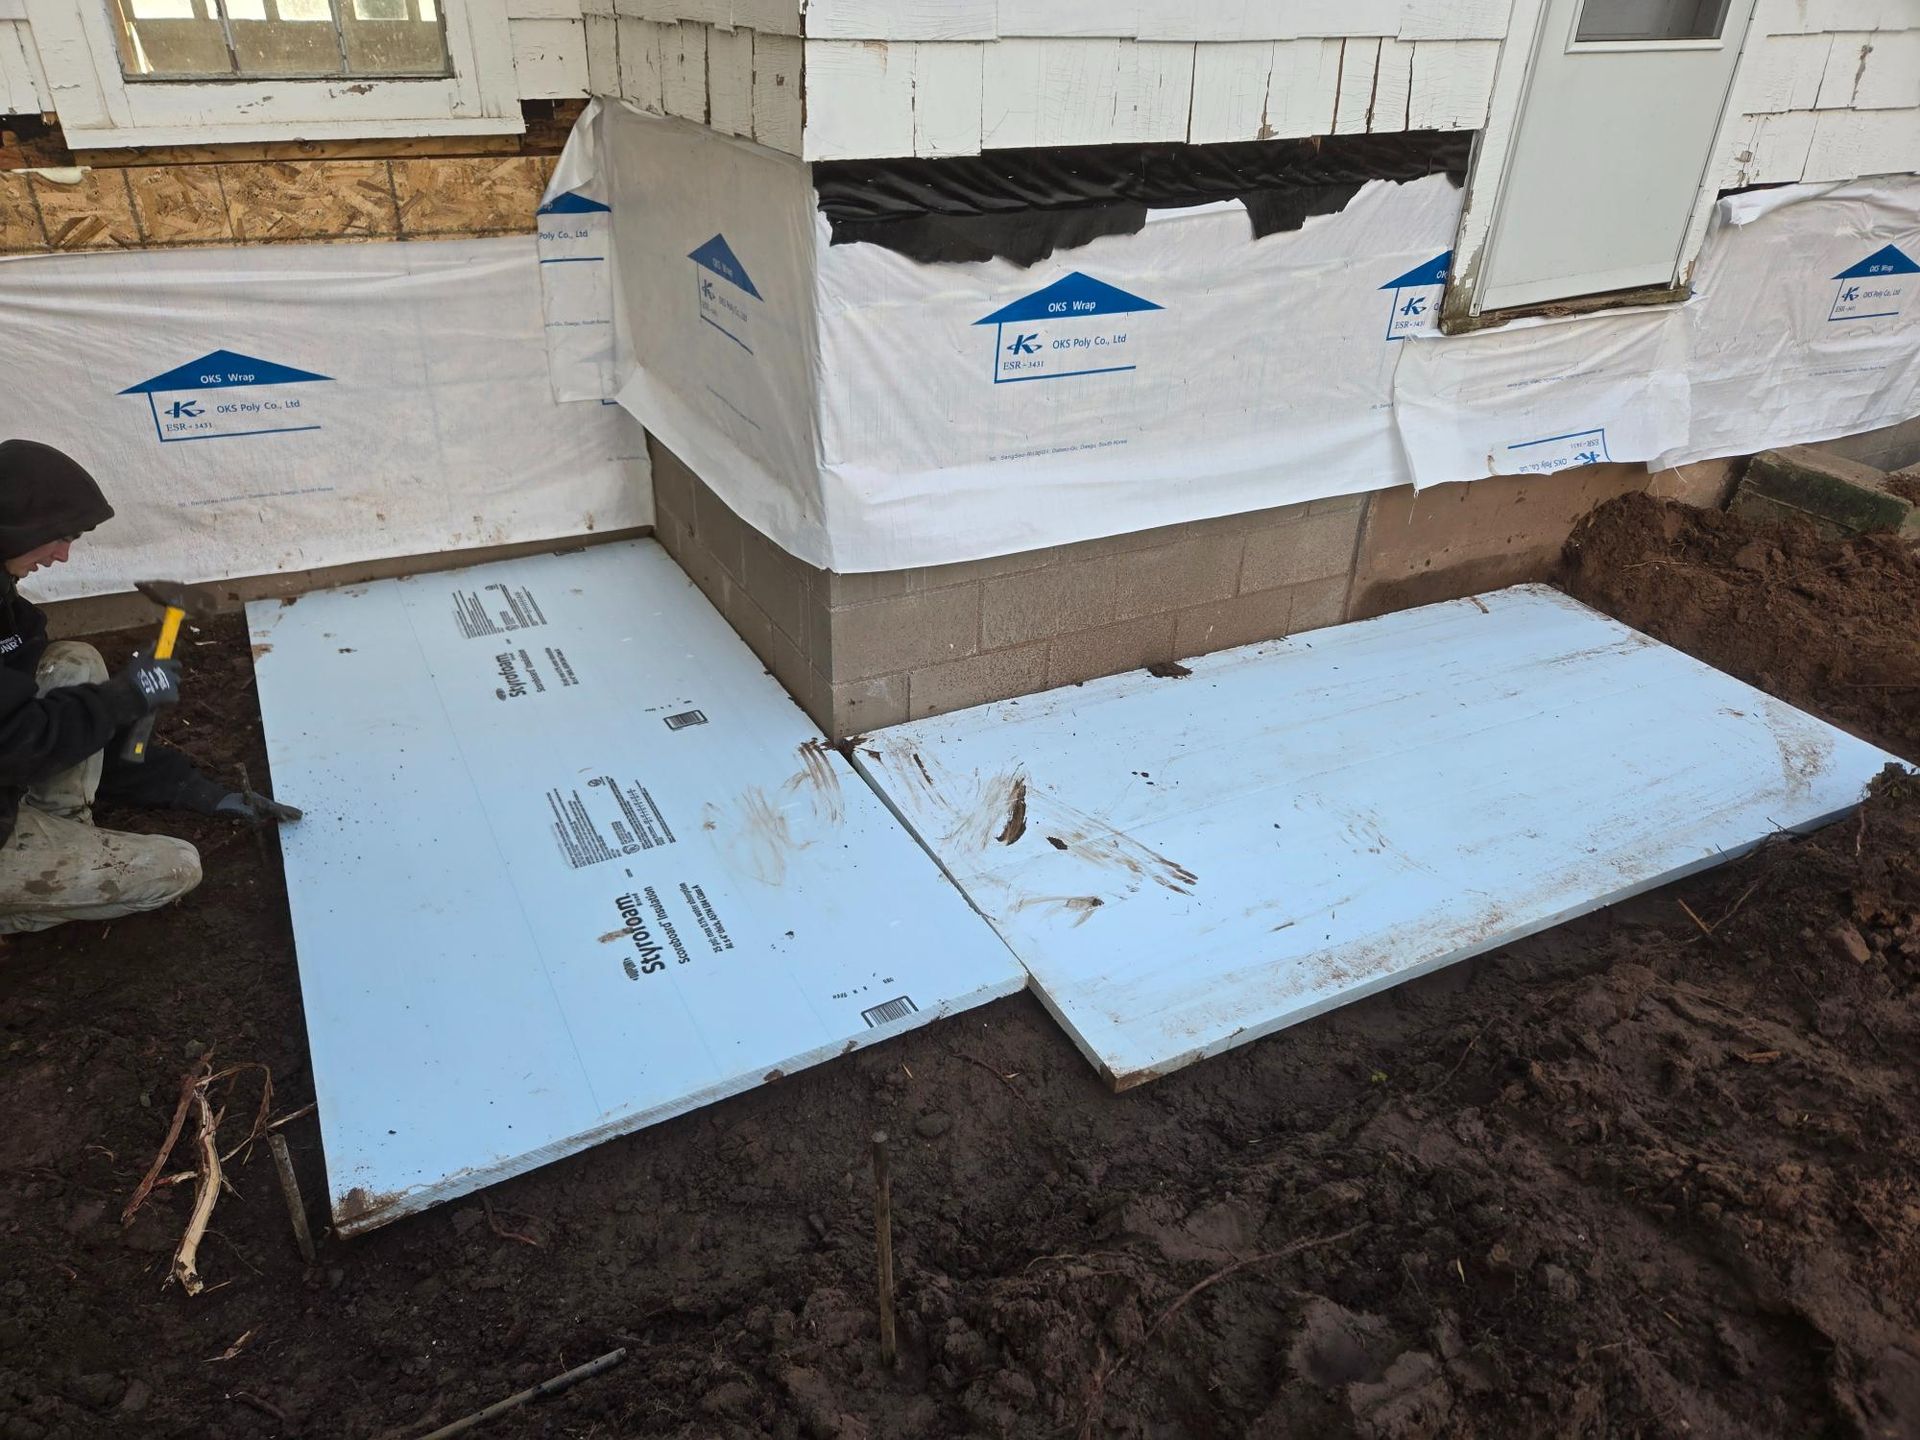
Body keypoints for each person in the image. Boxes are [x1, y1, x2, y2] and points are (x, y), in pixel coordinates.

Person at [0, 439, 297, 936]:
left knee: (74, 662)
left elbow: (50, 722)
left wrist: (195, 790)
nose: (63, 556)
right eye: (58, 537)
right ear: (18, 527)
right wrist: (124, 697)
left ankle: (62, 828)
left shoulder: (9, 606)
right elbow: (14, 742)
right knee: (177, 867)